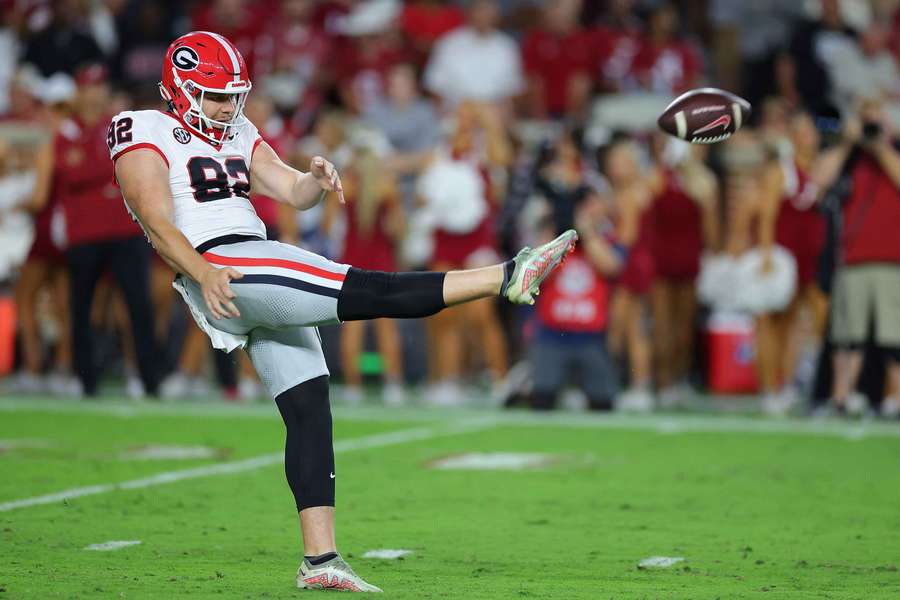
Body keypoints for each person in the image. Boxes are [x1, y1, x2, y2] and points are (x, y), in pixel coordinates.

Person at [109, 31, 577, 592]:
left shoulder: (238, 129)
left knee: (310, 408)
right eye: (215, 95)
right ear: (181, 89)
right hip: (225, 264)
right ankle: (505, 276)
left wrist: (314, 180)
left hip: (247, 273)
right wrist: (205, 271)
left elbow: (289, 189)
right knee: (367, 290)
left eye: (234, 94)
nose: (228, 106)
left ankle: (320, 560)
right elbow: (157, 221)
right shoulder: (143, 128)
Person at [58, 64, 159, 397]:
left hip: (124, 231)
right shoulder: (67, 130)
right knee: (83, 308)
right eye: (90, 87)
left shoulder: (115, 126)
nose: (97, 93)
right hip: (84, 235)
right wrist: (106, 173)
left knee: (138, 306)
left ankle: (149, 379)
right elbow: (69, 174)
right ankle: (85, 379)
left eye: (101, 87)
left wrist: (93, 168)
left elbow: (132, 166)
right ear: (79, 92)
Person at [816, 98, 900, 417]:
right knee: (847, 337)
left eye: (877, 121)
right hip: (852, 258)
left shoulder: (892, 153)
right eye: (867, 121)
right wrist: (849, 142)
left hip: (893, 260)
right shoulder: (850, 159)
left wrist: (882, 146)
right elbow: (818, 180)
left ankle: (895, 400)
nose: (871, 128)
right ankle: (842, 396)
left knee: (895, 338)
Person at [755, 111, 828, 413]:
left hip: (816, 256)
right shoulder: (780, 171)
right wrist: (767, 255)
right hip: (787, 258)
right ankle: (773, 387)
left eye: (811, 132)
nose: (806, 138)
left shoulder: (825, 168)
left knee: (822, 320)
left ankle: (812, 383)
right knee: (778, 325)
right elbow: (768, 216)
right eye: (801, 132)